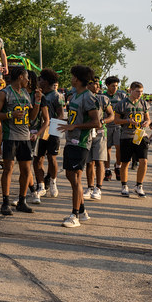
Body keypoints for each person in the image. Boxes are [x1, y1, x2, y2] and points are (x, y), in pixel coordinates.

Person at [0, 66, 41, 215]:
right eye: (26, 78)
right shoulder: (4, 93)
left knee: (26, 170)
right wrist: (10, 115)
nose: (28, 81)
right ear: (20, 77)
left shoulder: (25, 93)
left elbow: (32, 117)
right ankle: (5, 202)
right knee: (8, 169)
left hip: (25, 137)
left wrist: (37, 102)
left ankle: (22, 201)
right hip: (10, 136)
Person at [58, 65, 101, 228]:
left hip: (81, 142)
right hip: (71, 140)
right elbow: (76, 118)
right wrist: (65, 123)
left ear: (77, 78)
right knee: (70, 175)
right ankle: (82, 211)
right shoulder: (75, 95)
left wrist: (74, 126)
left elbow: (96, 123)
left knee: (76, 178)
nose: (71, 79)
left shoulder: (89, 97)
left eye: (72, 76)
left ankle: (74, 215)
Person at [114, 81, 151, 197]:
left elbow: (148, 118)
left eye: (141, 92)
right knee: (125, 162)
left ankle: (139, 185)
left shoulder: (143, 103)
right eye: (137, 91)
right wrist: (127, 120)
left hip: (140, 134)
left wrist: (147, 122)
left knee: (144, 161)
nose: (140, 94)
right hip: (127, 135)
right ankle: (124, 185)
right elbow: (116, 120)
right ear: (131, 90)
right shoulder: (122, 104)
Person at [33, 68, 63, 201]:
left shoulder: (56, 96)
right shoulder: (38, 94)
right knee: (38, 158)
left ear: (45, 81)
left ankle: (53, 181)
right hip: (39, 129)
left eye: (40, 79)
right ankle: (41, 185)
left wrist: (52, 126)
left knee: (52, 157)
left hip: (53, 129)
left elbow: (61, 114)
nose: (38, 81)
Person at [85, 79, 114, 201]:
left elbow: (111, 115)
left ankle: (98, 188)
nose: (97, 86)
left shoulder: (103, 99)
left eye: (98, 84)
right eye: (94, 83)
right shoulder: (83, 97)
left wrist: (103, 121)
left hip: (100, 132)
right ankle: (90, 187)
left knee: (99, 161)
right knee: (89, 162)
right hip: (86, 132)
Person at [104, 76, 128, 181]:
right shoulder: (103, 96)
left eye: (116, 86)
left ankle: (118, 166)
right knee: (107, 148)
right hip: (106, 125)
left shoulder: (121, 96)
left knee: (119, 147)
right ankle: (107, 169)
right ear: (107, 86)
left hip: (118, 125)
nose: (115, 88)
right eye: (113, 86)